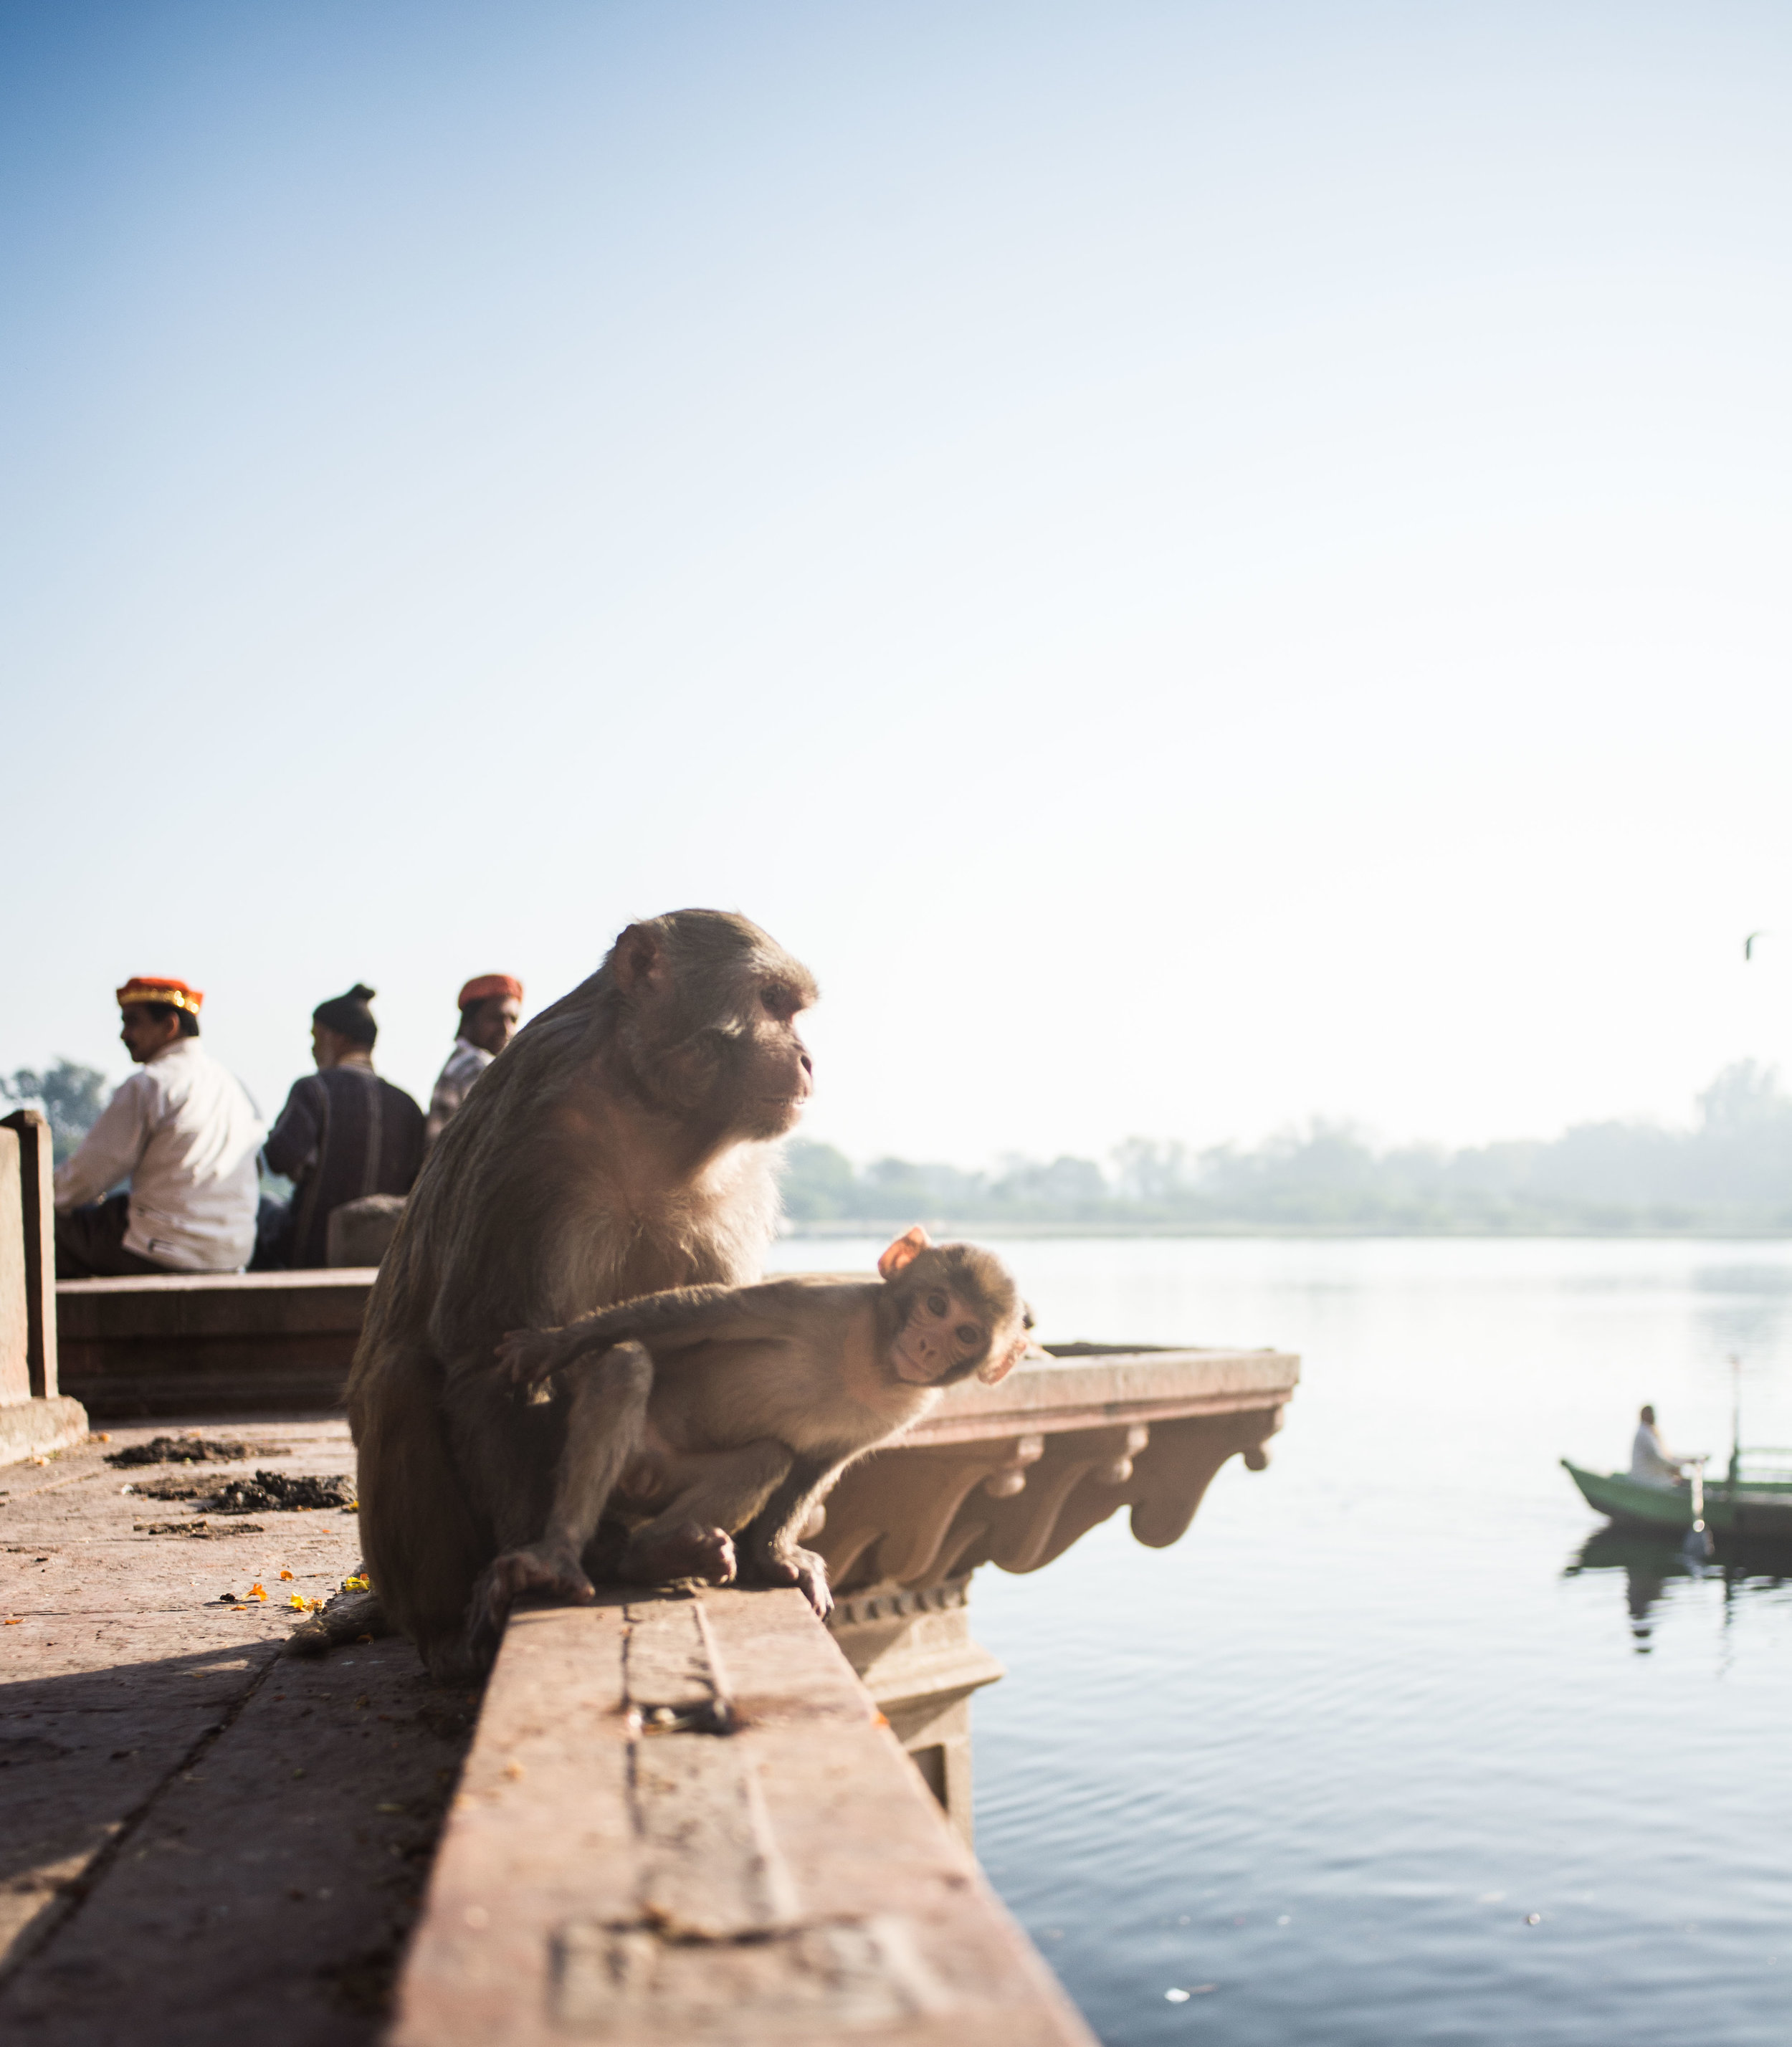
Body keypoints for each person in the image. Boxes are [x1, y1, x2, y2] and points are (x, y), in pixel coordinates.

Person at [53, 977, 262, 1277]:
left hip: (159, 1249)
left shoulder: (151, 1083)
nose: (124, 1035)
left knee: (35, 1228)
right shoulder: (234, 1087)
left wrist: (35, 1199)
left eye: (132, 1022)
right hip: (228, 1257)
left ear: (169, 1027)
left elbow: (87, 1175)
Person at [260, 983, 426, 1269]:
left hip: (311, 1256)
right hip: (386, 1260)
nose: (313, 1048)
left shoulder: (313, 1090)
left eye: (316, 1037)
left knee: (264, 1204)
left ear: (337, 1038)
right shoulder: (408, 1105)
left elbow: (280, 1158)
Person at [424, 973, 523, 1147]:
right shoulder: (476, 1067)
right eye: (496, 1018)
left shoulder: (460, 1062)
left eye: (513, 1020)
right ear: (468, 1022)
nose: (506, 1029)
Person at [1630, 1404, 1689, 1487]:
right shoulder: (1644, 1433)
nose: (1653, 1416)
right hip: (1645, 1479)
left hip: (1651, 1476)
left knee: (1681, 1480)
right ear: (1643, 1415)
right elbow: (1656, 1457)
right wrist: (1673, 1467)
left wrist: (1687, 1461)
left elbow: (1666, 1456)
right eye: (1650, 1414)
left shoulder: (1650, 1431)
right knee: (1679, 1483)